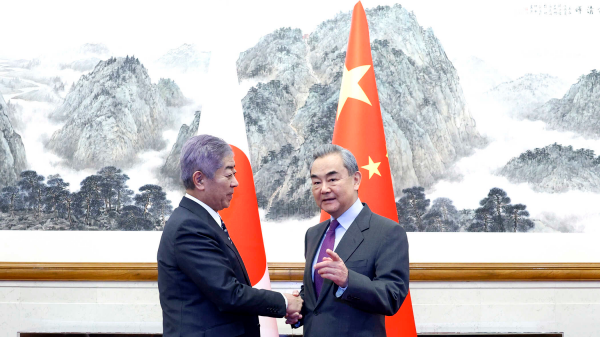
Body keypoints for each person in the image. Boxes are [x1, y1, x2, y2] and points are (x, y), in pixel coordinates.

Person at [158, 134, 302, 337]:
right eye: (228, 175)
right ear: (199, 180)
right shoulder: (189, 226)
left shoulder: (201, 220)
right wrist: (286, 302)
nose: (236, 183)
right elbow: (229, 294)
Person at [288, 144, 409, 336]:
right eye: (316, 182)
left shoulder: (388, 232)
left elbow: (392, 296)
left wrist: (347, 280)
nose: (324, 189)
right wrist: (297, 307)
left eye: (332, 179)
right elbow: (318, 296)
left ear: (356, 180)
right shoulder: (313, 234)